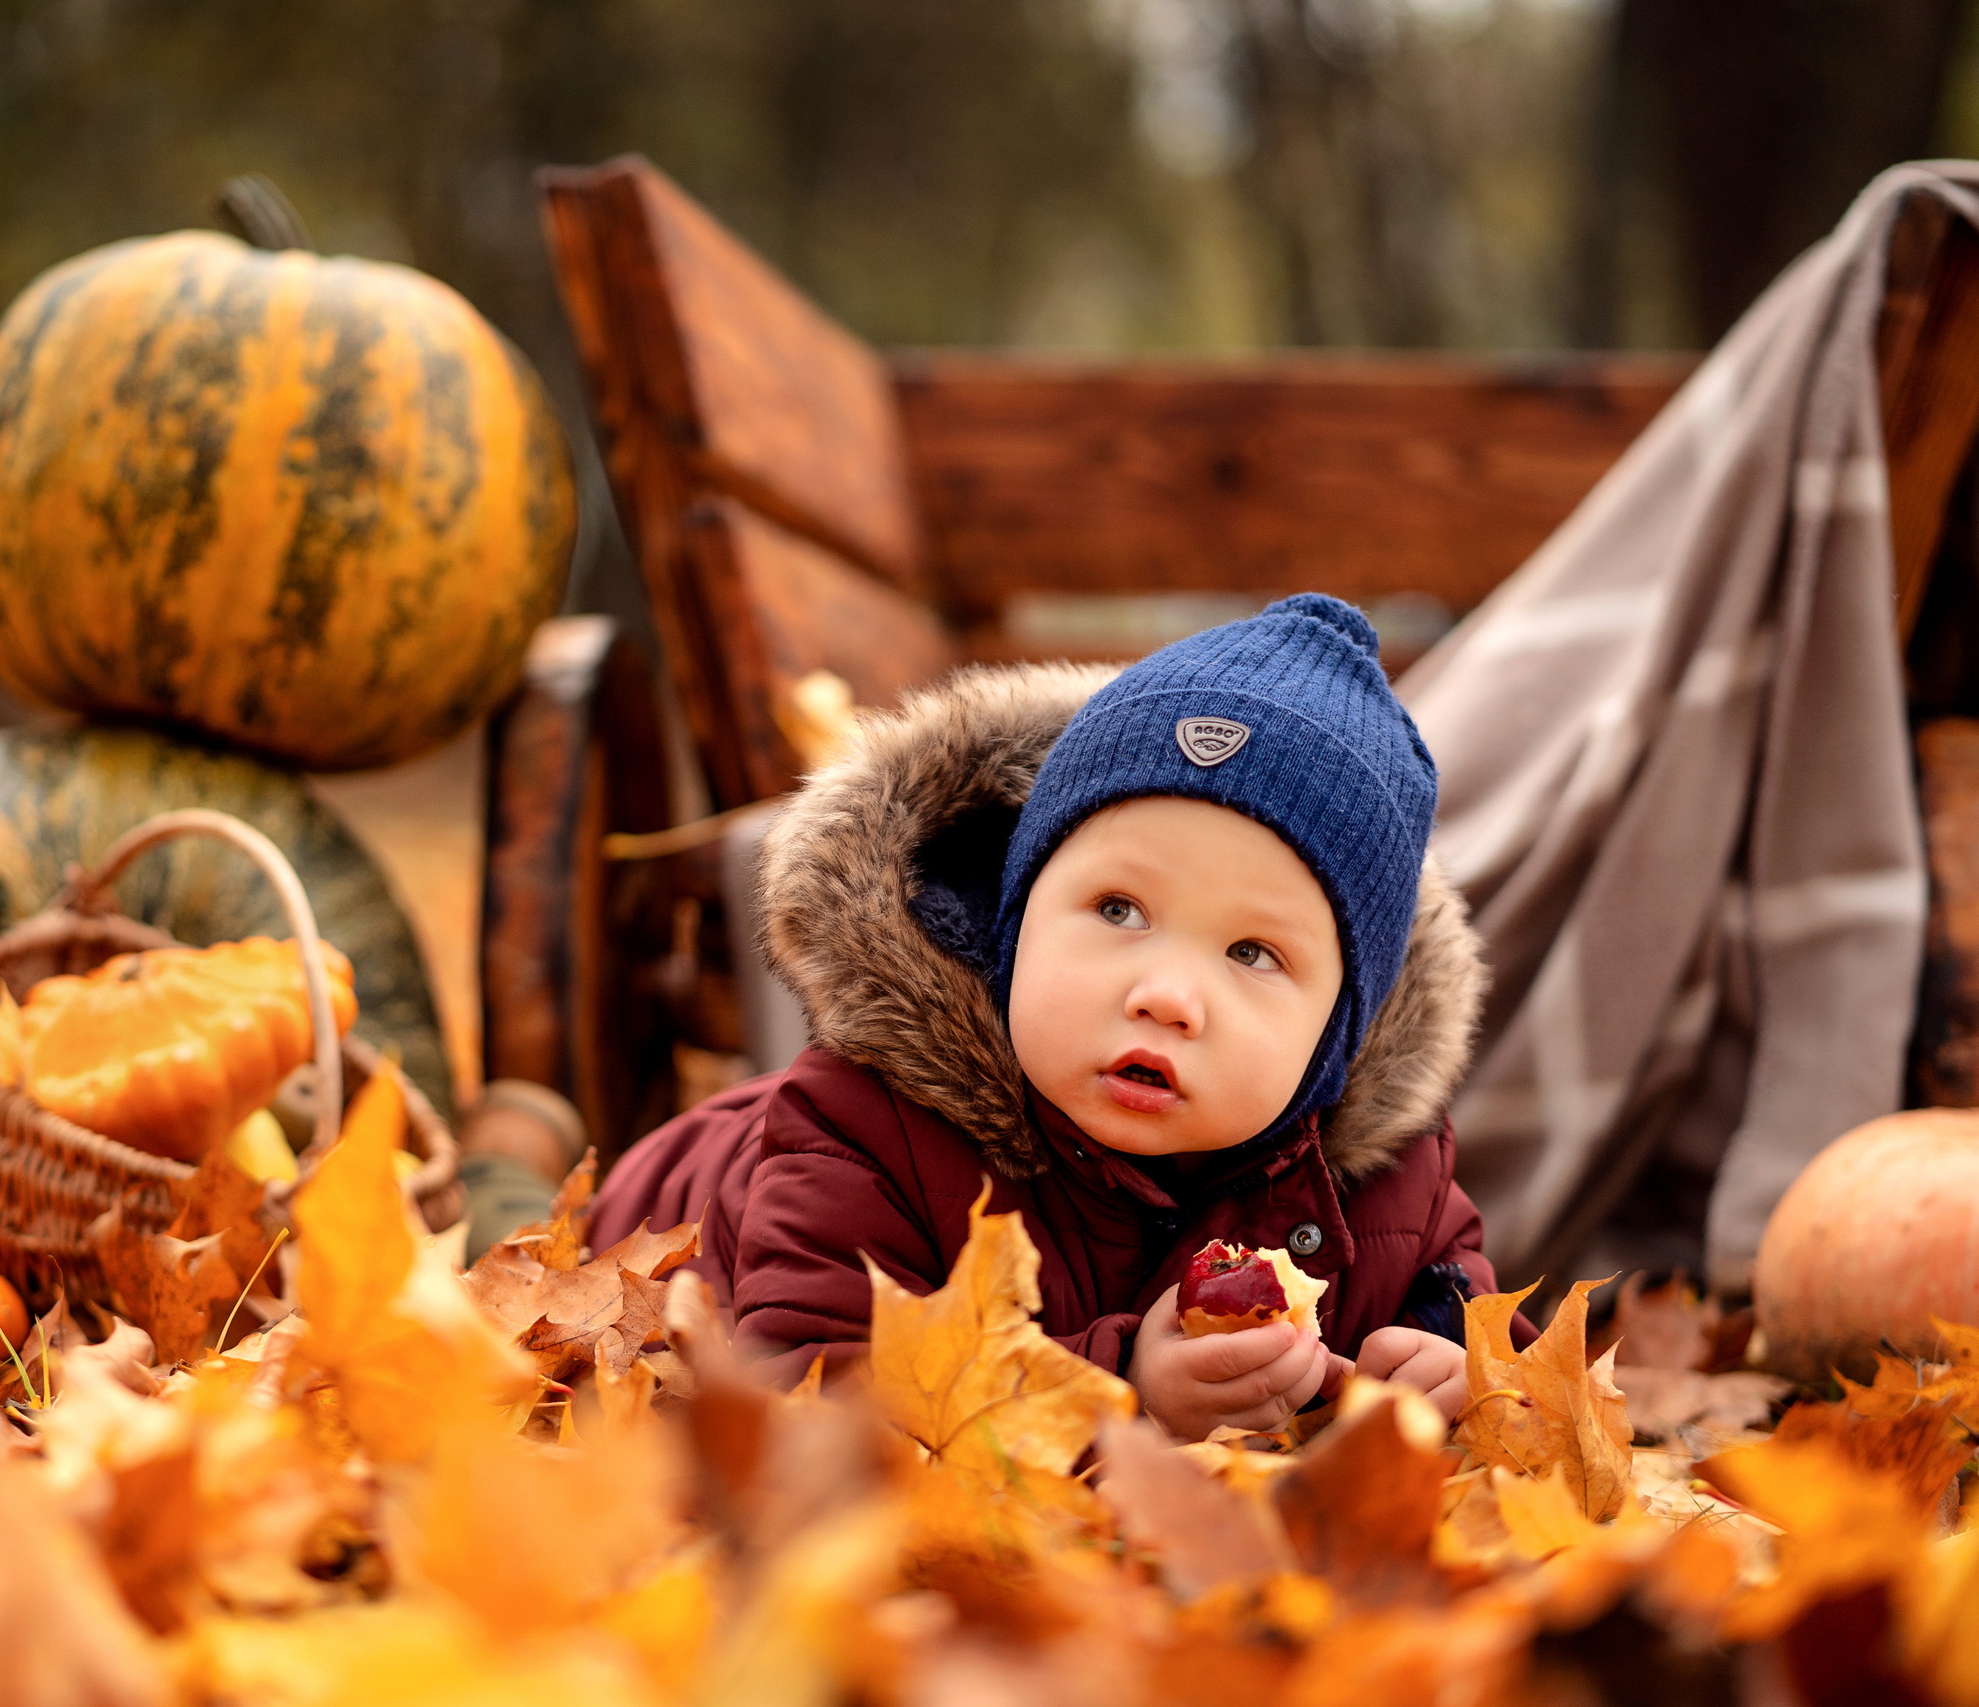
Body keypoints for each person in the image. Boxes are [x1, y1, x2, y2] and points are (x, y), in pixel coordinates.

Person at [585, 594, 1511, 1441]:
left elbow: (1460, 1300)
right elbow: (817, 1399)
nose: (1167, 995)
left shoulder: (1390, 1179)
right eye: (1118, 909)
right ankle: (516, 1152)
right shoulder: (864, 1127)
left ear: (1336, 1038)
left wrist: (1446, 1363)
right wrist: (1122, 1390)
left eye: (1253, 954)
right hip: (653, 1223)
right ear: (1015, 918)